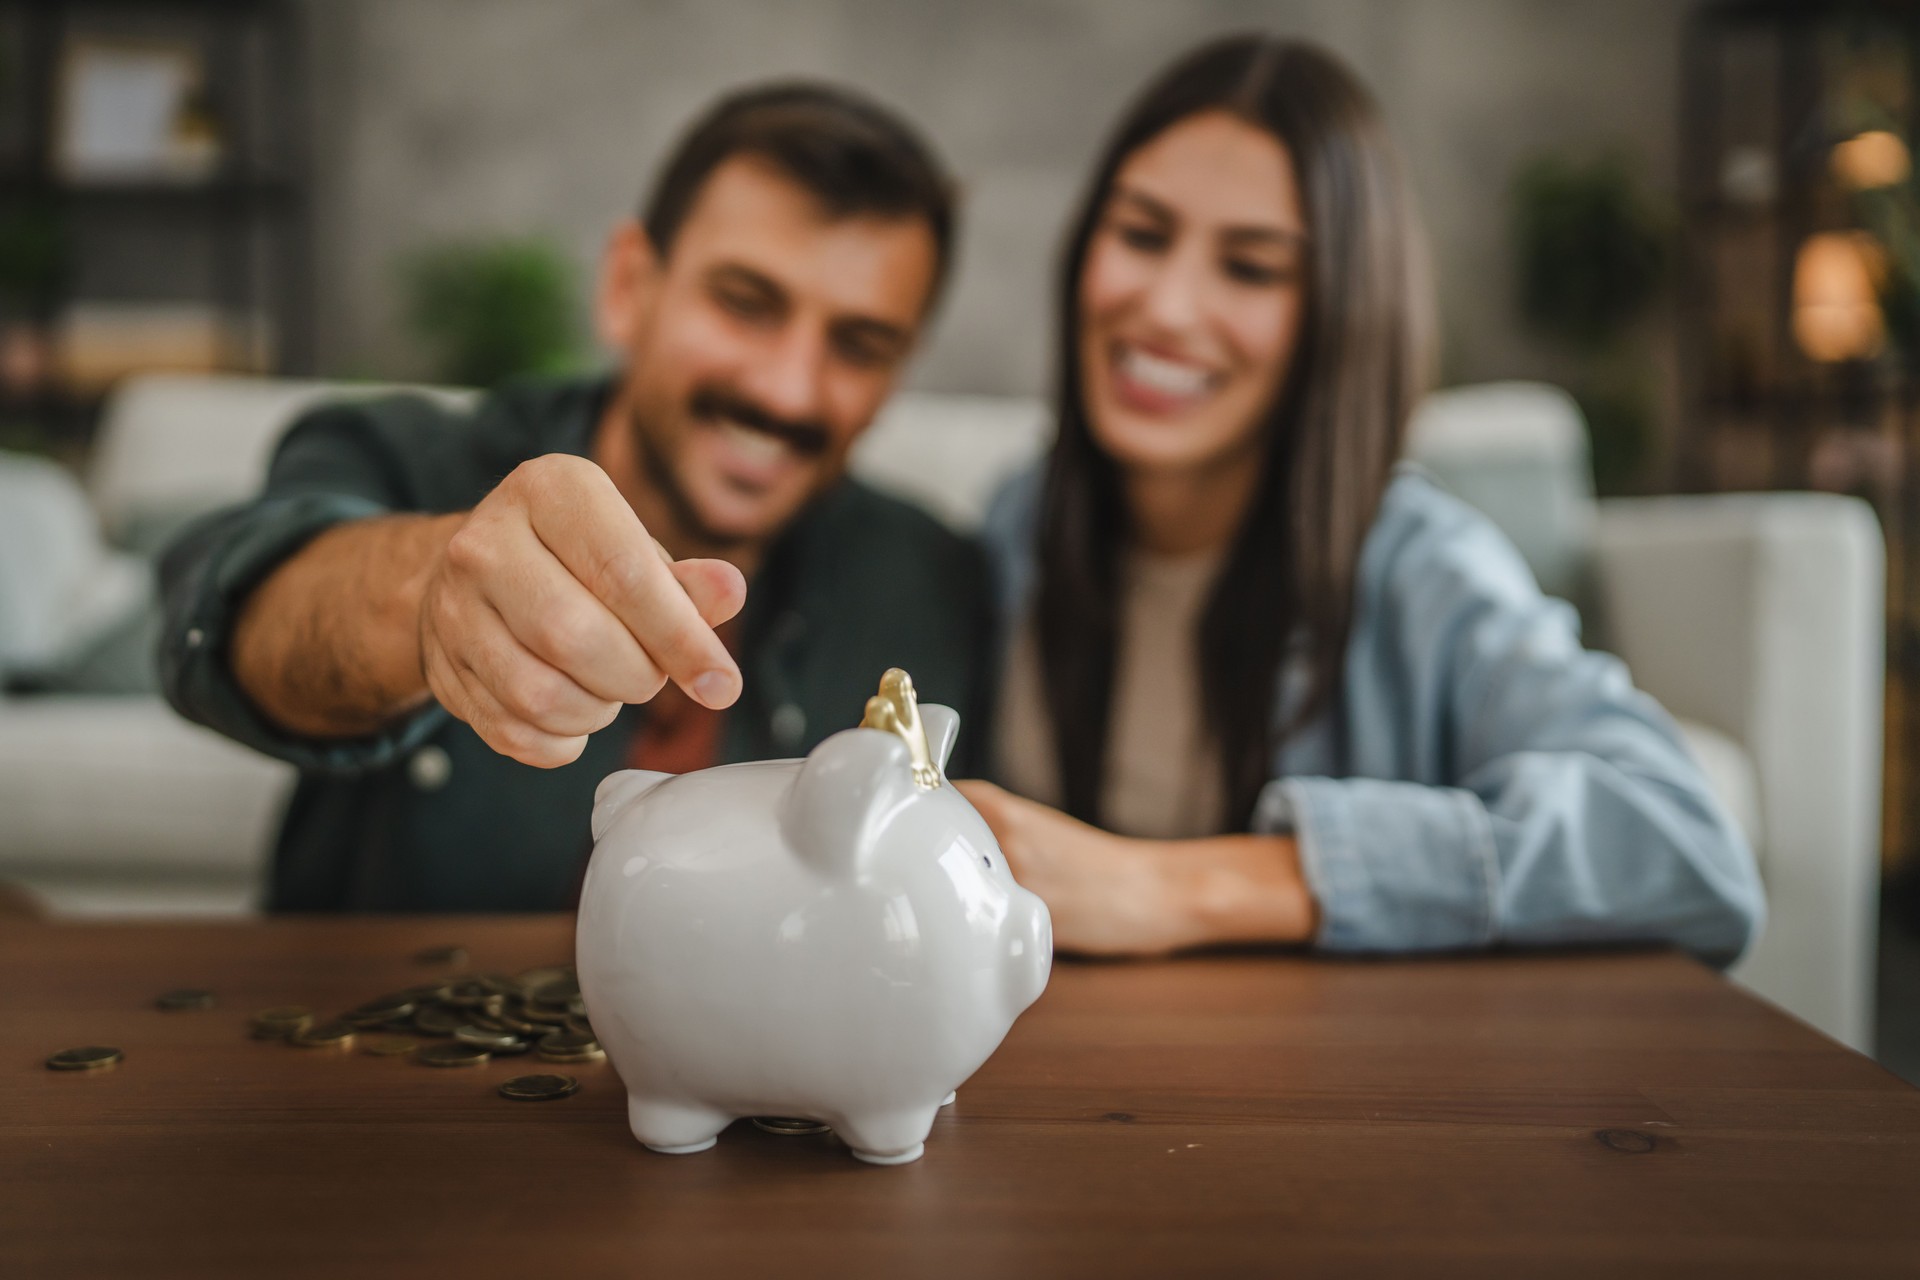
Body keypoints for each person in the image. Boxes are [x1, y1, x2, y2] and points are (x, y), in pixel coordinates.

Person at [956, 35, 1765, 966]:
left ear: (1343, 314)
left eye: (1252, 267)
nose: (1168, 305)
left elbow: (1687, 848)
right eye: (1141, 234)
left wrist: (1182, 885)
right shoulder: (1015, 526)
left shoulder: (1420, 563)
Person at [159, 82, 991, 912]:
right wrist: (428, 601)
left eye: (860, 345)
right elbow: (226, 625)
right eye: (745, 303)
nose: (788, 391)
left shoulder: (933, 584)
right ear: (630, 286)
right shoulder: (409, 459)